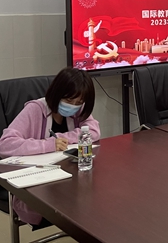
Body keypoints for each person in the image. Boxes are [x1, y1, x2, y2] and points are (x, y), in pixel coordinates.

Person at [0, 67, 101, 226]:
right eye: (69, 101)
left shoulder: (78, 109)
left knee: (94, 199)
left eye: (78, 103)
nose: (73, 106)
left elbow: (93, 132)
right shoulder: (35, 109)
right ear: (56, 93)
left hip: (69, 178)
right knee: (82, 204)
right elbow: (5, 144)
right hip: (40, 182)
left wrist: (62, 138)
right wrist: (48, 144)